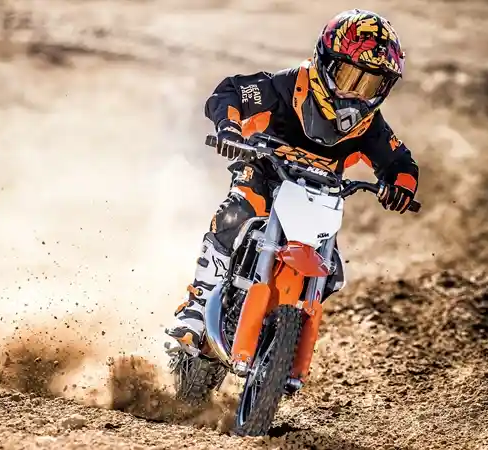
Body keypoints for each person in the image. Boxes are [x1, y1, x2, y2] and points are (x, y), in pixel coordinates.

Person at [165, 9, 420, 354]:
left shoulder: (370, 126)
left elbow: (400, 162)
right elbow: (230, 92)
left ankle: (279, 337)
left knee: (332, 271)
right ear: (325, 62)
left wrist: (400, 186)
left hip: (319, 197)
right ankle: (196, 308)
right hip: (263, 175)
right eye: (349, 77)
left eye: (371, 85)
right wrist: (229, 128)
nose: (357, 93)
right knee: (235, 213)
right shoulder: (286, 87)